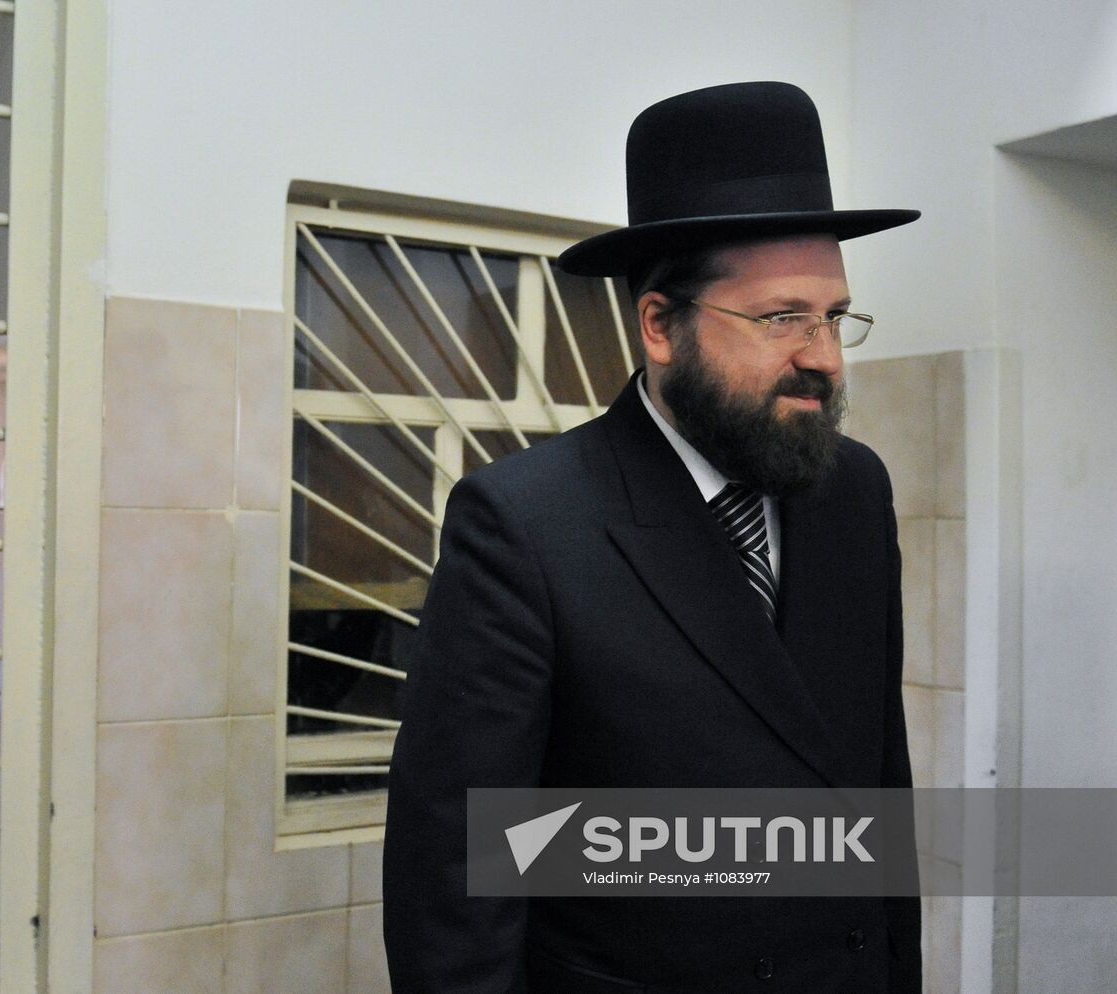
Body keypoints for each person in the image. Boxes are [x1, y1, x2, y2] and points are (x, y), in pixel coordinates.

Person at [382, 82, 923, 993]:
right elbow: (458, 878)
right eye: (783, 316)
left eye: (834, 316)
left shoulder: (853, 489)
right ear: (660, 326)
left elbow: (878, 787)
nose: (824, 355)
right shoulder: (525, 526)